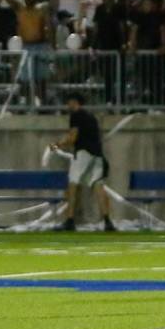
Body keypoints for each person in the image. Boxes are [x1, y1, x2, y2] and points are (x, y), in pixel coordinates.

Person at [52, 93, 116, 232]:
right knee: (99, 187)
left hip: (83, 154)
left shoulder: (76, 115)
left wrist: (57, 145)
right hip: (97, 155)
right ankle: (107, 222)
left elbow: (72, 138)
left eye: (68, 102)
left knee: (72, 186)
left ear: (74, 102)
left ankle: (69, 220)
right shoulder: (91, 117)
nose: (67, 105)